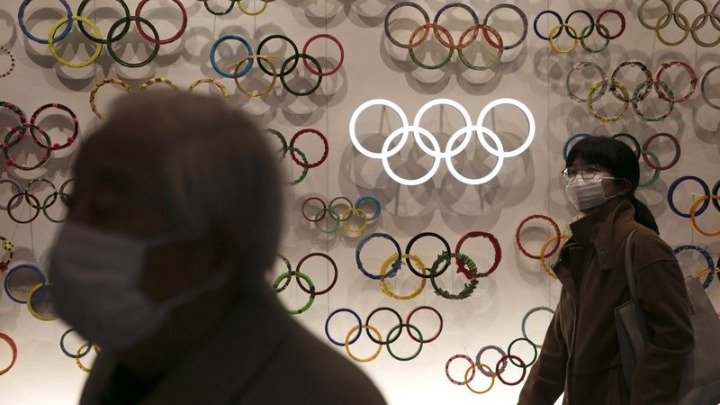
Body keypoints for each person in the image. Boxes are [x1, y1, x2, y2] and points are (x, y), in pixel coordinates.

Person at [48, 90, 387, 405]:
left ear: (212, 254)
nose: (75, 232)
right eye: (73, 203)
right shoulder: (131, 359)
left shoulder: (326, 396)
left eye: (105, 209)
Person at [518, 136, 694, 404]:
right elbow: (556, 351)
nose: (578, 180)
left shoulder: (642, 245)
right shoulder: (580, 250)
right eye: (572, 171)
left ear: (622, 185)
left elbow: (674, 337)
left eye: (591, 170)